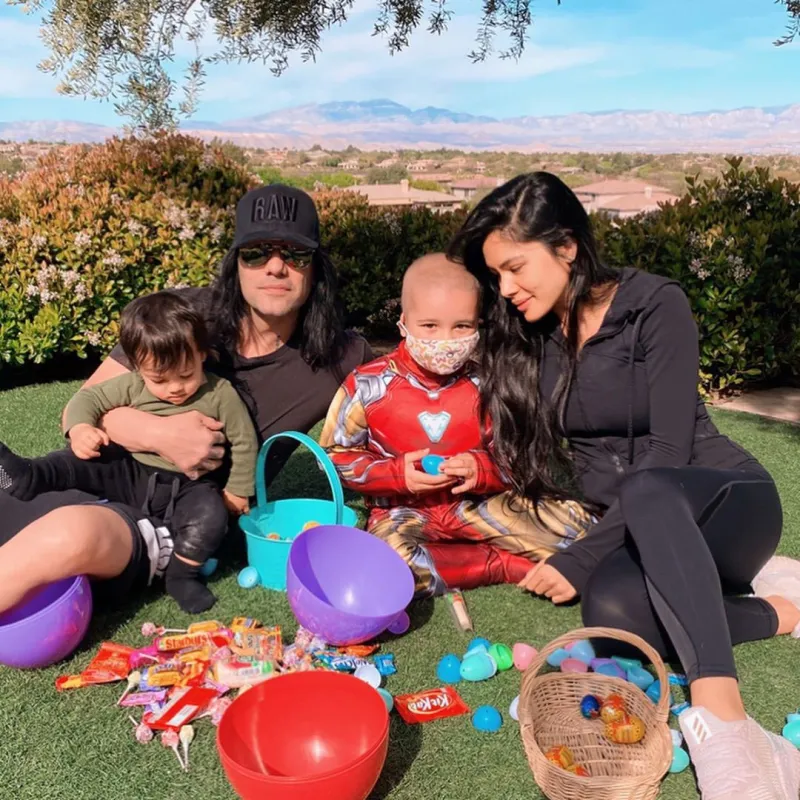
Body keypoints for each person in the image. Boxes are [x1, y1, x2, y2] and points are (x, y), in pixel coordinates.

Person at [448, 171, 800, 799]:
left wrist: (582, 554)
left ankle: (729, 725)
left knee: (647, 486)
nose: (506, 289)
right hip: (645, 530)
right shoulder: (530, 336)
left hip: (725, 504)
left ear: (567, 246)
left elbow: (665, 455)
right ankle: (776, 609)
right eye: (496, 275)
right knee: (610, 615)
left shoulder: (654, 305)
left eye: (516, 267)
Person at [0, 184, 371, 616]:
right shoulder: (185, 316)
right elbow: (82, 405)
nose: (275, 266)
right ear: (236, 263)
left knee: (69, 535)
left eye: (295, 254)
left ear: (315, 268)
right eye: (257, 252)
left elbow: (411, 394)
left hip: (174, 518)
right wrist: (161, 434)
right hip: (106, 472)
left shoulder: (340, 354)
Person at [319, 253, 595, 597]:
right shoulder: (366, 385)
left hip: (481, 505)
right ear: (403, 321)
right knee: (389, 567)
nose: (446, 340)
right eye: (430, 326)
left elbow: (519, 459)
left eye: (462, 326)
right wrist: (394, 475)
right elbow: (333, 456)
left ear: (478, 324)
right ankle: (501, 563)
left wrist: (482, 470)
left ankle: (466, 558)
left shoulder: (490, 384)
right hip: (403, 512)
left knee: (583, 533)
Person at [0, 292, 258, 614]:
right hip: (130, 468)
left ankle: (181, 576)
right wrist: (80, 429)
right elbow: (85, 401)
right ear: (138, 367)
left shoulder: (220, 393)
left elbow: (245, 441)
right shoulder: (132, 385)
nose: (175, 388)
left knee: (211, 517)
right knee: (80, 460)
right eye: (159, 379)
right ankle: (29, 477)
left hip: (189, 485)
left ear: (201, 354)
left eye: (186, 374)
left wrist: (236, 490)